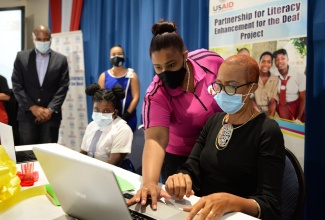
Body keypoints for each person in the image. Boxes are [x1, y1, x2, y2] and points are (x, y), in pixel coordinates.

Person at [129, 54, 285, 219]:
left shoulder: (267, 131)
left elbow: (270, 204)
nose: (223, 92)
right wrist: (181, 178)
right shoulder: (214, 121)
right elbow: (191, 167)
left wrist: (231, 202)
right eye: (219, 85)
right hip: (201, 212)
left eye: (231, 87)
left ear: (252, 88)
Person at [127, 18, 223, 205]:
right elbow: (155, 139)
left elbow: (235, 84)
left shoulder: (210, 61)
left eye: (171, 65)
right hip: (181, 158)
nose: (165, 72)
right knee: (184, 208)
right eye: (158, 67)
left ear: (185, 56)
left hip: (217, 150)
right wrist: (149, 182)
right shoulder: (156, 94)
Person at [12, 25, 69, 146]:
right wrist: (32, 107)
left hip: (51, 117)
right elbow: (17, 85)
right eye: (39, 39)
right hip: (27, 116)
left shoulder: (61, 60)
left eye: (46, 39)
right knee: (27, 156)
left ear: (50, 39)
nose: (42, 42)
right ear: (33, 39)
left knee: (49, 157)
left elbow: (63, 87)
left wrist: (50, 110)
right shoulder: (21, 57)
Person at [80, 83, 133, 167]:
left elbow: (112, 165)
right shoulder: (91, 125)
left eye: (106, 111)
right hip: (91, 172)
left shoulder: (123, 129)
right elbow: (82, 155)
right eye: (96, 110)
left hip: (115, 175)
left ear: (115, 112)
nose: (100, 114)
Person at [98, 45, 140, 131]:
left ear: (124, 56)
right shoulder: (104, 76)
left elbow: (136, 98)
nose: (116, 56)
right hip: (108, 120)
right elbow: (99, 98)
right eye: (113, 54)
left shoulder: (132, 75)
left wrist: (126, 115)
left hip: (128, 119)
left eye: (119, 54)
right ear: (110, 57)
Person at [273, 49, 306, 123]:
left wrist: (298, 118)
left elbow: (302, 99)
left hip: (297, 104)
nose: (280, 61)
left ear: (288, 59)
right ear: (275, 62)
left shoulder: (299, 75)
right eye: (277, 59)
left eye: (283, 58)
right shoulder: (273, 74)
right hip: (282, 106)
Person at [253, 51, 279, 116]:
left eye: (269, 62)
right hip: (254, 111)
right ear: (259, 62)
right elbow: (250, 100)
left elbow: (273, 101)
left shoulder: (275, 79)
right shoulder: (252, 77)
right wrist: (258, 115)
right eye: (263, 61)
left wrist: (270, 119)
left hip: (269, 112)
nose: (265, 64)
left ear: (272, 64)